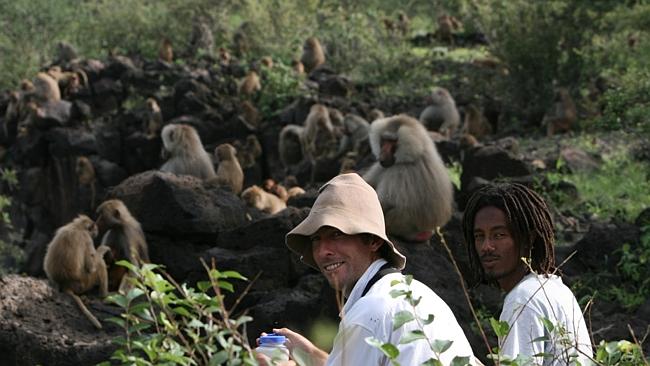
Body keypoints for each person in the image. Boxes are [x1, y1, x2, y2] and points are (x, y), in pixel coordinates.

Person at [259, 173, 479, 366]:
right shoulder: (420, 295)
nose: (322, 251)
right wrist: (310, 355)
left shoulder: (368, 315)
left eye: (336, 234)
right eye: (316, 239)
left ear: (373, 241)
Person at [462, 182, 593, 365]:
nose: (486, 247)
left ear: (528, 239)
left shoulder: (523, 300)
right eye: (479, 236)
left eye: (499, 235)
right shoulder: (552, 288)